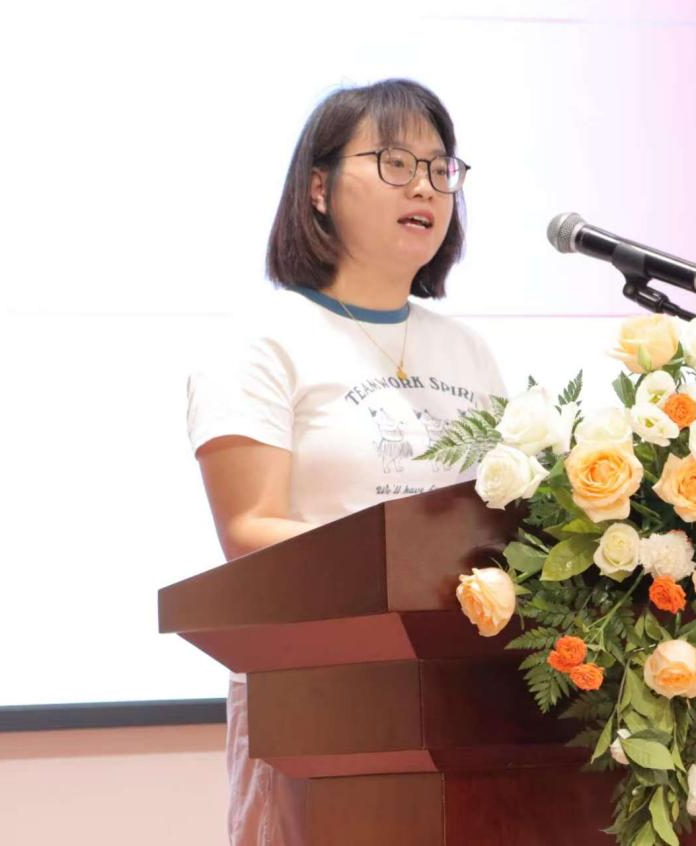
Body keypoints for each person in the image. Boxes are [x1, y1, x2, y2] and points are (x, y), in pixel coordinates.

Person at [184, 79, 507, 846]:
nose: (423, 187)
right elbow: (249, 531)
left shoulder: (466, 351)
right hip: (320, 695)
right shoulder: (262, 342)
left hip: (468, 696)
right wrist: (410, 566)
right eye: (393, 162)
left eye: (439, 168)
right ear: (319, 188)